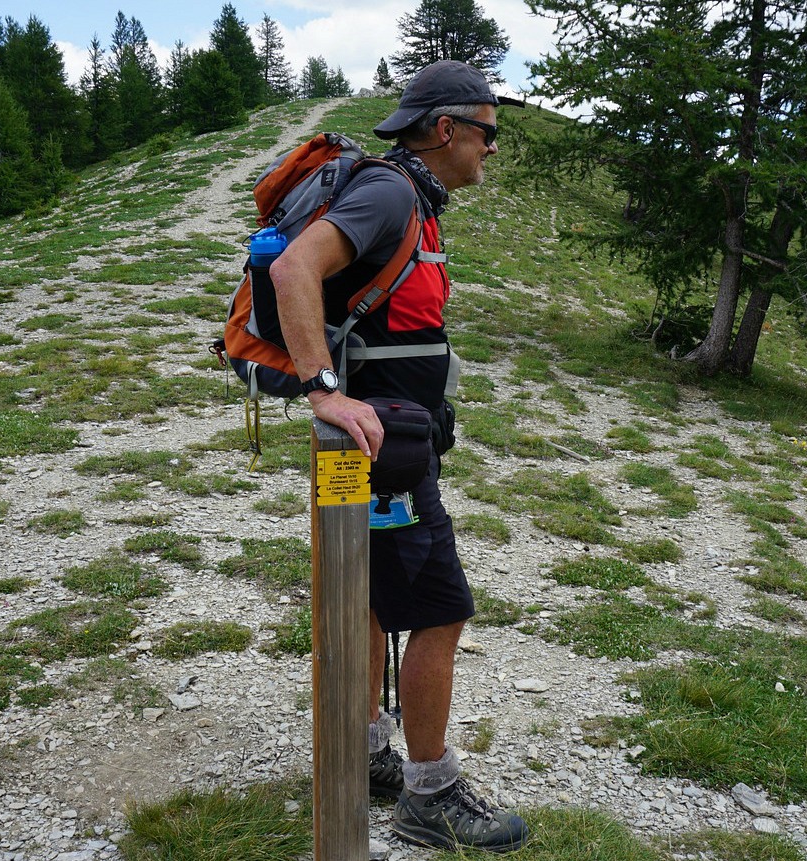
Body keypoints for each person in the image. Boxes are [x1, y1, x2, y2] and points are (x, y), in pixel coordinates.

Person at [268, 60, 528, 853]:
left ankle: (368, 753)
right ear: (444, 128)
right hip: (382, 450)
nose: (492, 148)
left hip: (377, 447)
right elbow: (293, 267)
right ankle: (430, 792)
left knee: (367, 602)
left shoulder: (410, 198)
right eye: (487, 132)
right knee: (442, 610)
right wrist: (322, 389)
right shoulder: (390, 193)